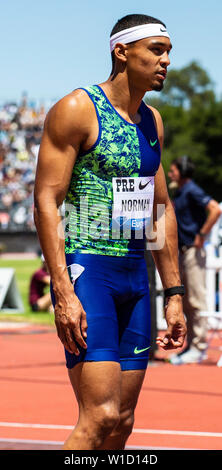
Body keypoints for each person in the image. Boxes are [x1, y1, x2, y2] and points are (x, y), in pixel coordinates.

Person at [34, 13, 187, 450]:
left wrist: (173, 295)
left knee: (122, 421)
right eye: (157, 50)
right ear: (122, 51)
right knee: (98, 417)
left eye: (168, 52)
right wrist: (63, 291)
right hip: (90, 271)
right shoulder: (77, 109)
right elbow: (46, 200)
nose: (166, 61)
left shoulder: (151, 121)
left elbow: (160, 210)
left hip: (135, 278)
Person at [168, 156, 221, 364]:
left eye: (173, 170)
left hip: (193, 250)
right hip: (183, 250)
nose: (170, 174)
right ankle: (191, 345)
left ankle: (199, 347)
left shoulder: (192, 190)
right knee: (187, 300)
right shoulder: (181, 192)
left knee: (196, 300)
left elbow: (215, 209)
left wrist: (202, 235)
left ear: (182, 171)